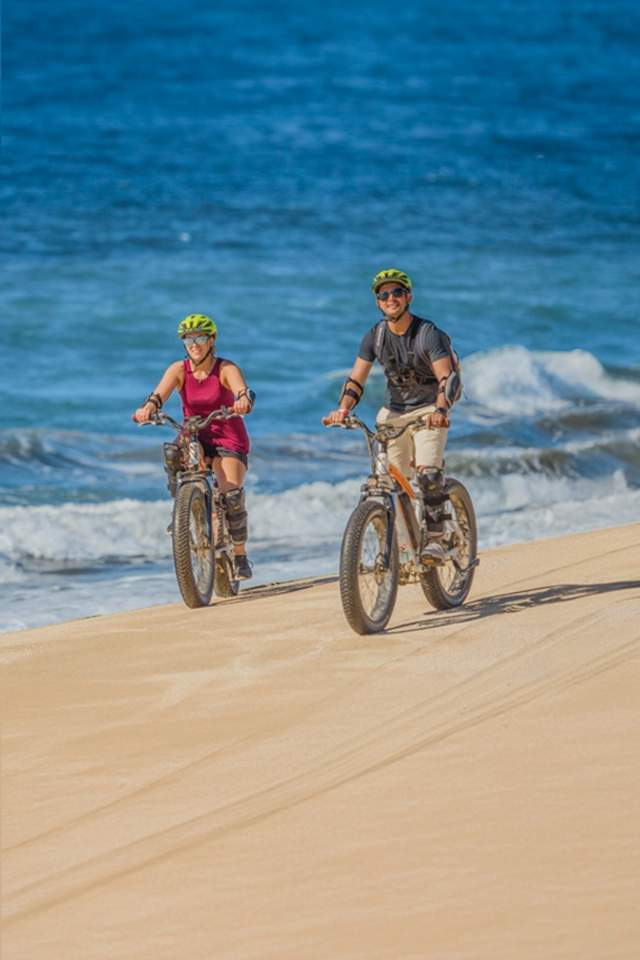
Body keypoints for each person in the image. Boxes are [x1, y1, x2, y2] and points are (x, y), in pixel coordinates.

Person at [323, 269, 460, 560]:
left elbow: (446, 378)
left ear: (408, 297)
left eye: (396, 292)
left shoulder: (427, 334)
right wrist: (343, 410)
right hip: (393, 412)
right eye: (383, 295)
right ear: (377, 302)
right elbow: (356, 379)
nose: (390, 298)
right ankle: (399, 542)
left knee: (428, 473)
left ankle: (437, 537)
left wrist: (440, 410)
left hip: (428, 409)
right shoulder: (375, 335)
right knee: (387, 481)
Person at [133, 313, 254, 580]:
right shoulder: (179, 370)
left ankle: (241, 554)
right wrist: (148, 409)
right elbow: (157, 396)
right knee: (174, 454)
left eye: (200, 338)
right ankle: (183, 509)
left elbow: (241, 390)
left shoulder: (225, 368)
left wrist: (243, 399)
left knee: (231, 494)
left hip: (227, 434)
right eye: (189, 339)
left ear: (212, 340)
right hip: (194, 434)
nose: (194, 344)